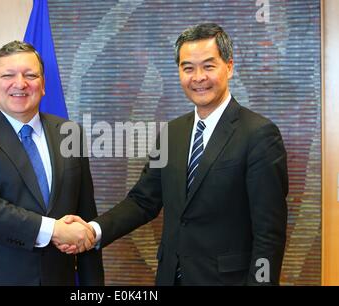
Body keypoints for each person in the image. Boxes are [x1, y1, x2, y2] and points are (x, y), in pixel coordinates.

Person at [60, 23, 288, 285]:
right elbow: (143, 201)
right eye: (188, 68)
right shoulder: (172, 133)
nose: (198, 77)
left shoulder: (259, 134)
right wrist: (93, 230)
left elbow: (269, 233)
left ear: (229, 67)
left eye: (208, 66)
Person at [0, 41, 104, 286]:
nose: (20, 83)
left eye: (30, 75)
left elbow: (84, 213)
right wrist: (54, 230)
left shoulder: (70, 133)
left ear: (42, 85)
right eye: (8, 75)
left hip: (56, 277)